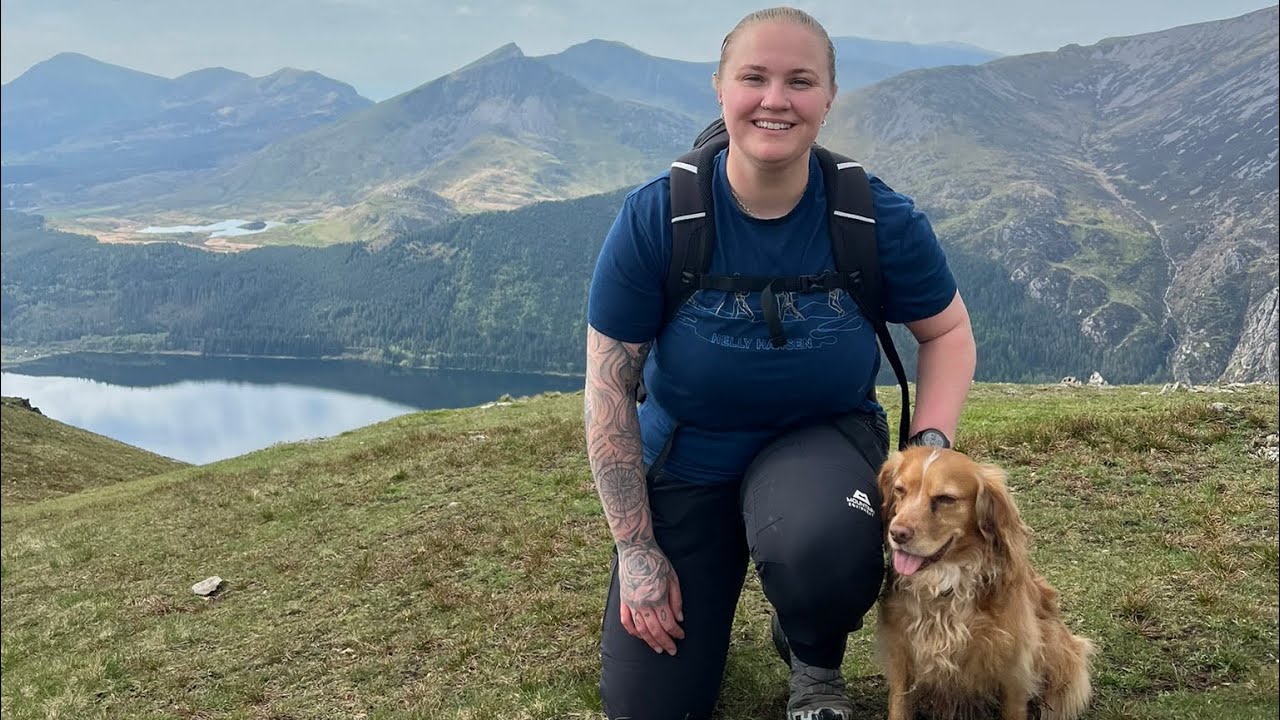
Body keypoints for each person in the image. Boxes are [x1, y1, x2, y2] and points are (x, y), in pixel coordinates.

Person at [583, 6, 977, 720]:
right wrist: (638, 554)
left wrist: (928, 451)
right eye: (753, 78)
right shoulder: (659, 218)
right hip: (688, 453)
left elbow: (947, 331)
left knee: (823, 547)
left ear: (827, 99)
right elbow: (609, 391)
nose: (775, 99)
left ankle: (812, 657)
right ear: (720, 89)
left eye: (800, 81)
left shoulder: (874, 219)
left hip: (822, 438)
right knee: (650, 708)